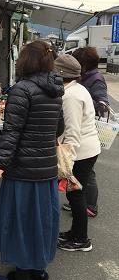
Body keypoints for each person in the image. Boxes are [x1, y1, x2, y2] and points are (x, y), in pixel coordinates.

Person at [0, 40, 64, 280]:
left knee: (21, 222)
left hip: (23, 171)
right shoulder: (55, 89)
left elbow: (11, 133)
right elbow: (59, 129)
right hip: (46, 170)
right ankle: (38, 270)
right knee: (41, 221)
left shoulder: (22, 89)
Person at [54, 54, 101, 253]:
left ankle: (81, 239)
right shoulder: (77, 89)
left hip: (80, 153)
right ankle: (75, 233)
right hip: (87, 149)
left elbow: (72, 132)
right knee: (75, 194)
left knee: (76, 195)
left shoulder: (70, 96)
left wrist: (67, 164)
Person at [62, 46, 108, 217]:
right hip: (84, 133)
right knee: (83, 175)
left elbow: (102, 104)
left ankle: (89, 206)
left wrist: (84, 100)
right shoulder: (86, 78)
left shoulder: (95, 79)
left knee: (87, 175)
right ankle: (80, 203)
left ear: (83, 64)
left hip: (86, 132)